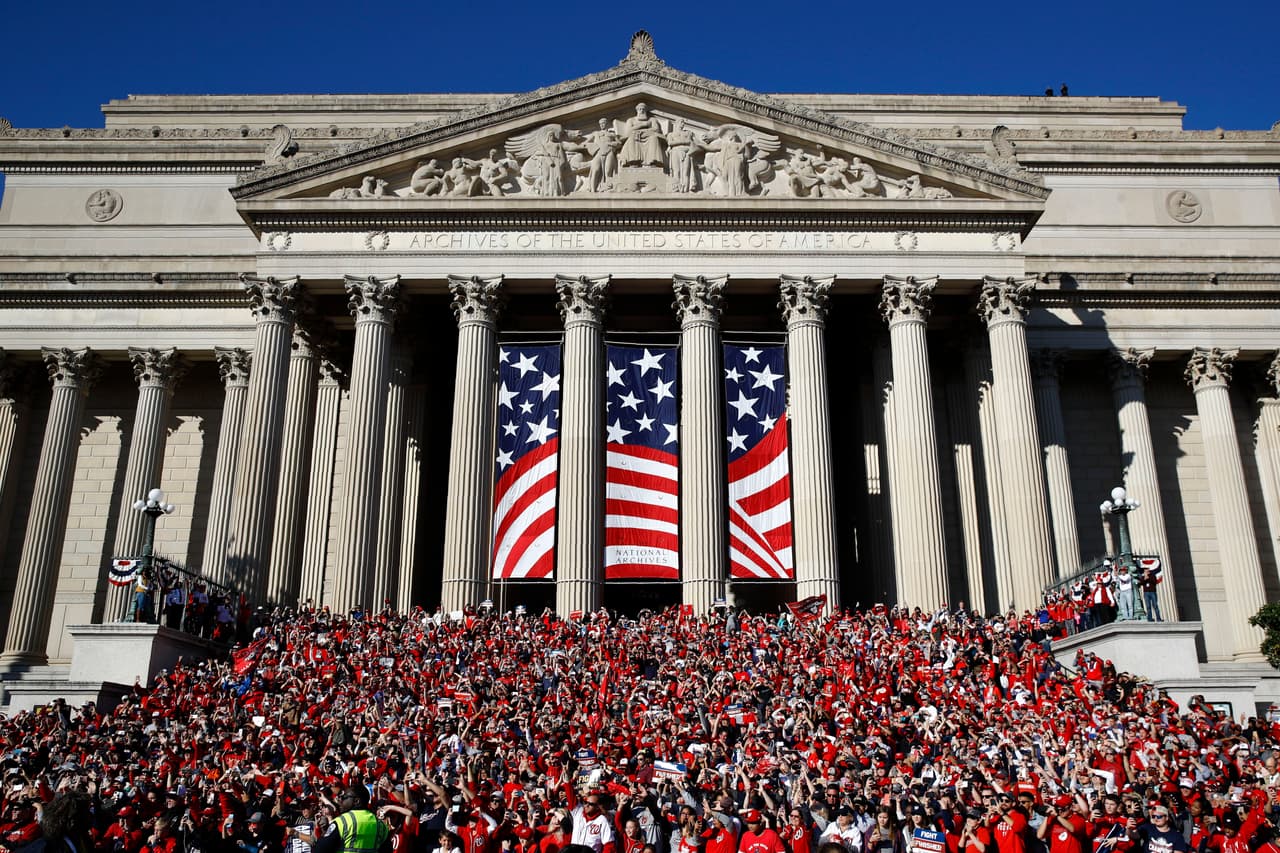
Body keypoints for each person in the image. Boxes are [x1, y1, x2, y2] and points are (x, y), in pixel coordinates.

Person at [313, 787, 392, 853]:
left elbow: (319, 850)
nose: (340, 801)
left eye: (344, 798)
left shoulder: (343, 822)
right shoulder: (381, 825)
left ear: (356, 801)